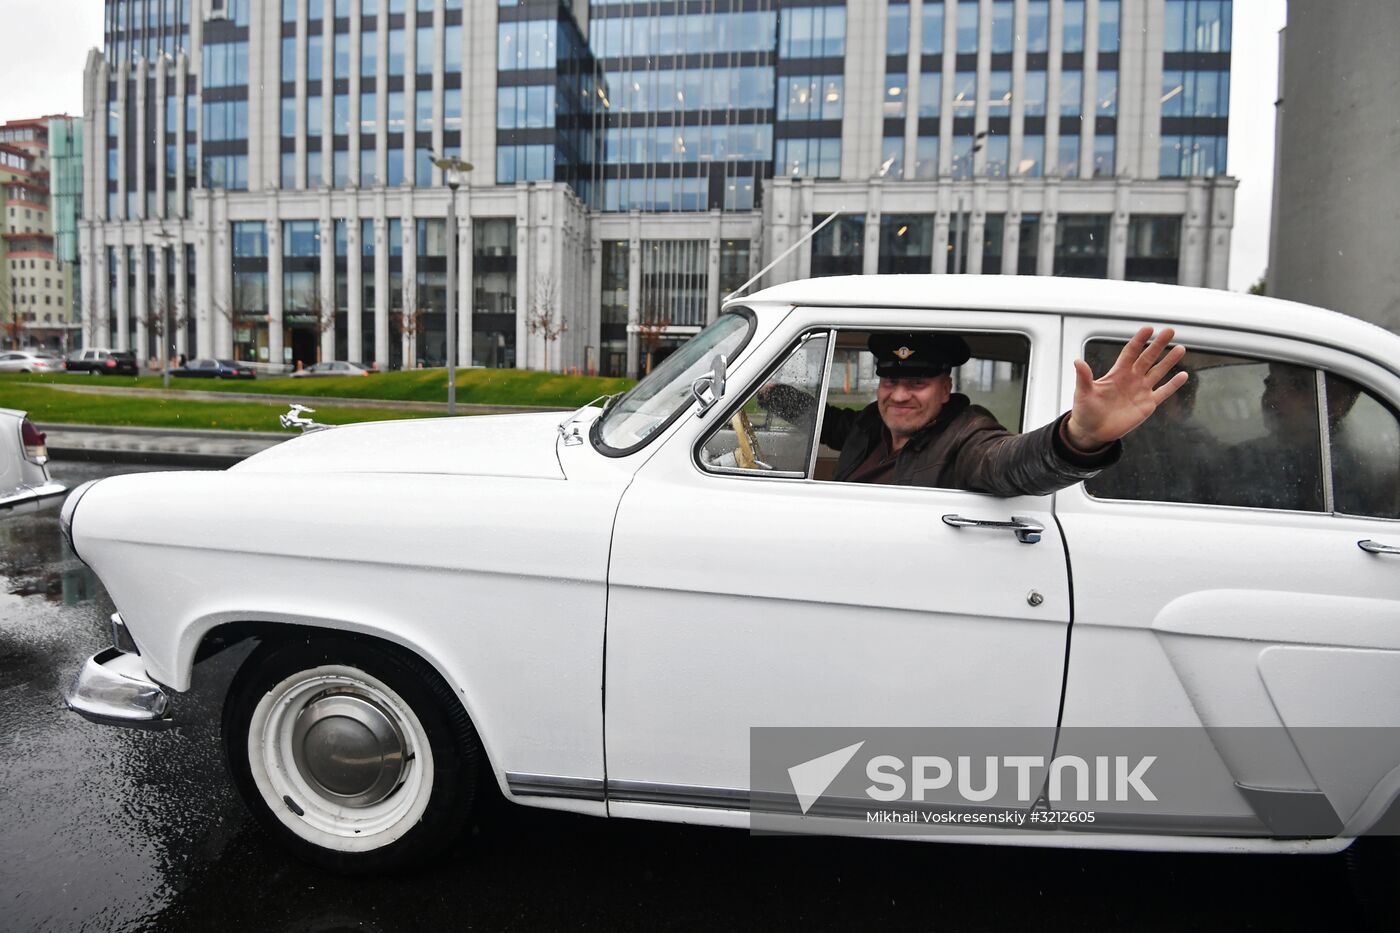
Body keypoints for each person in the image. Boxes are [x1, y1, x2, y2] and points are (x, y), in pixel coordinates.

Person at [758, 326, 1188, 497]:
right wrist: (770, 392)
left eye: (917, 383)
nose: (899, 396)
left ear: (945, 389)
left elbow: (1009, 463)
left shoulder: (967, 436)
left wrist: (1079, 438)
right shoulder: (872, 423)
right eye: (890, 382)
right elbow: (829, 423)